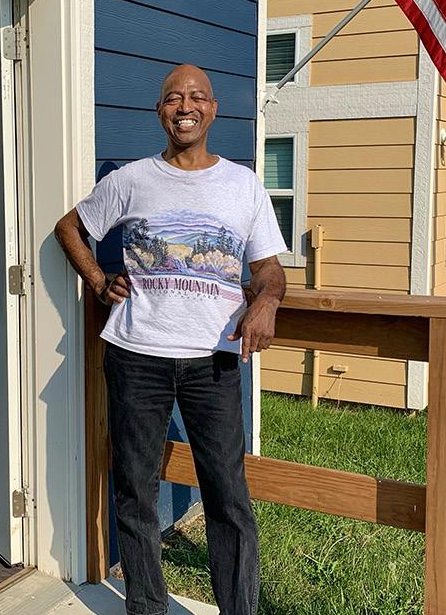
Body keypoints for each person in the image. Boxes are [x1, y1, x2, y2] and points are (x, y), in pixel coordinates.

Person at [54, 64, 287, 615]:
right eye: (173, 98)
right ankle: (147, 607)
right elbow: (69, 228)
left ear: (213, 109)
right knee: (135, 491)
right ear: (159, 111)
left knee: (227, 494)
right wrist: (98, 281)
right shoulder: (131, 180)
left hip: (214, 358)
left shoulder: (243, 185)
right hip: (136, 354)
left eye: (197, 97)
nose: (186, 106)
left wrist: (268, 302)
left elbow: (268, 269)